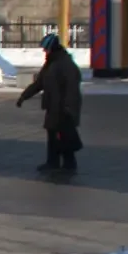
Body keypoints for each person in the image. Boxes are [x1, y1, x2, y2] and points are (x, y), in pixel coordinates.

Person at [18, 33, 83, 174]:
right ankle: (53, 162)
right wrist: (24, 96)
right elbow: (39, 83)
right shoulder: (51, 63)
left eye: (45, 49)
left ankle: (69, 164)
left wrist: (68, 108)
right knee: (54, 135)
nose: (44, 51)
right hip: (53, 107)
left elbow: (72, 88)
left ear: (52, 48)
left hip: (63, 108)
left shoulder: (65, 64)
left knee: (64, 135)